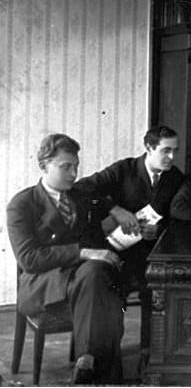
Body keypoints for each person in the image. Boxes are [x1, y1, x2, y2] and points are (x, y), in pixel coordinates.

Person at [7, 134, 123, 384]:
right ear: (44, 165)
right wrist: (82, 252)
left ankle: (87, 363)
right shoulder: (22, 203)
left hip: (82, 280)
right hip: (43, 285)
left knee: (97, 278)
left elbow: (95, 241)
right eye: (65, 167)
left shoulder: (80, 198)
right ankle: (103, 373)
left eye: (76, 166)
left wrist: (115, 237)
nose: (73, 173)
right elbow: (29, 259)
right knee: (102, 291)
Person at [74, 126, 184, 352]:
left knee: (160, 290)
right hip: (116, 250)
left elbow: (175, 216)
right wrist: (115, 210)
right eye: (166, 151)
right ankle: (101, 355)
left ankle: (150, 352)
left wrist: (159, 229)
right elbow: (81, 188)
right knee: (110, 290)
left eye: (175, 151)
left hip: (151, 252)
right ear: (148, 148)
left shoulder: (175, 178)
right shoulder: (124, 170)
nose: (171, 157)